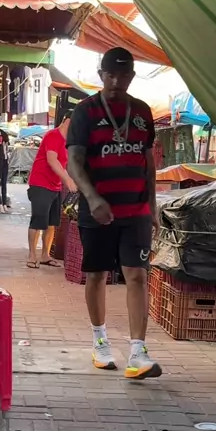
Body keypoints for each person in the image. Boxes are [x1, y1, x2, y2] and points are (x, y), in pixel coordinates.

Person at [67, 47, 162, 380]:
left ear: (131, 77)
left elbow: (148, 161)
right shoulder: (85, 112)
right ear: (101, 75)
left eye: (123, 76)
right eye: (110, 75)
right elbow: (74, 162)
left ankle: (138, 352)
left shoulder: (142, 112)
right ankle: (100, 341)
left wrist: (152, 204)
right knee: (97, 276)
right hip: (98, 212)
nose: (116, 81)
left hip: (135, 210)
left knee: (137, 275)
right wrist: (92, 198)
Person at [27, 112, 76, 268]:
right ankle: (32, 256)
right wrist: (67, 180)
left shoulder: (67, 141)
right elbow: (52, 160)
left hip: (55, 185)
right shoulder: (53, 136)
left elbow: (63, 164)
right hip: (41, 183)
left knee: (52, 223)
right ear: (68, 121)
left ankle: (45, 255)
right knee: (38, 220)